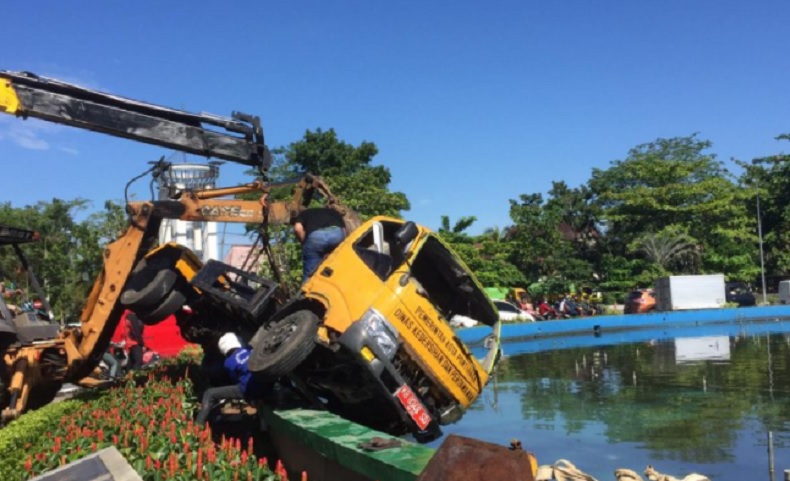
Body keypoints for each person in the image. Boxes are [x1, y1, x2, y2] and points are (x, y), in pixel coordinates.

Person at [195, 332, 266, 426]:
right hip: (266, 383)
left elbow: (235, 380)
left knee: (209, 393)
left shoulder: (229, 362)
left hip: (248, 389)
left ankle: (197, 426)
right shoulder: (250, 350)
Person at [292, 207, 347, 283]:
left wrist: (304, 242)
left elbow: (297, 228)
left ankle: (306, 287)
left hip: (316, 238)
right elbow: (344, 230)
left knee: (310, 273)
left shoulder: (304, 213)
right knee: (338, 266)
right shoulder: (333, 212)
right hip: (336, 235)